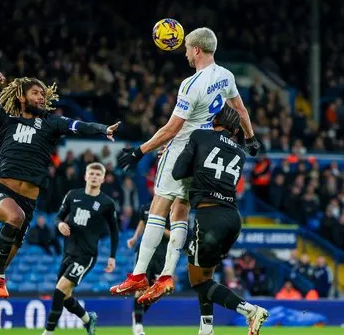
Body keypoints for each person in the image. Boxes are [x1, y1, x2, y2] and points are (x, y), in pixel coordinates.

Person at [110, 27, 259, 306]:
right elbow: (240, 110)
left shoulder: (191, 84)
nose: (186, 53)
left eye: (188, 49)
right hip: (204, 151)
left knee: (159, 206)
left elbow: (171, 129)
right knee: (181, 210)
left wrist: (139, 150)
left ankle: (140, 274)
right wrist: (250, 138)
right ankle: (166, 275)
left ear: (197, 50)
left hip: (182, 147)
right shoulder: (226, 76)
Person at [0, 72, 119, 311]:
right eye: (35, 92)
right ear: (22, 96)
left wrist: (102, 129)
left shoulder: (50, 123)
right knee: (13, 221)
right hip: (1, 191)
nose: (41, 97)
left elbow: (77, 126)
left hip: (29, 203)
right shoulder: (5, 118)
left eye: (43, 94)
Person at [171, 105, 268, 335]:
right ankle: (206, 328)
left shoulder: (200, 135)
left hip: (209, 216)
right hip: (232, 218)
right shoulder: (240, 153)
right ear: (235, 129)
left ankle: (250, 310)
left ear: (215, 119)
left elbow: (177, 172)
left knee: (198, 282)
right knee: (207, 276)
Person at [42, 162, 118, 335]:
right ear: (85, 176)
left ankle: (48, 332)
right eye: (91, 173)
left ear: (103, 179)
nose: (94, 177)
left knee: (59, 291)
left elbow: (114, 230)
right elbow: (58, 217)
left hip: (86, 255)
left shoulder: (106, 203)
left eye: (98, 175)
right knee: (65, 296)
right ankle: (87, 319)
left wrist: (112, 257)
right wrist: (60, 223)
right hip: (68, 252)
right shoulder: (72, 195)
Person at [126, 203, 170, 335]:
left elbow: (176, 234)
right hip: (144, 252)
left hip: (162, 255)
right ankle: (138, 326)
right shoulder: (146, 207)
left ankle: (136, 316)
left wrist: (158, 227)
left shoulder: (173, 209)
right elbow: (142, 223)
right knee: (140, 287)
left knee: (153, 293)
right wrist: (135, 237)